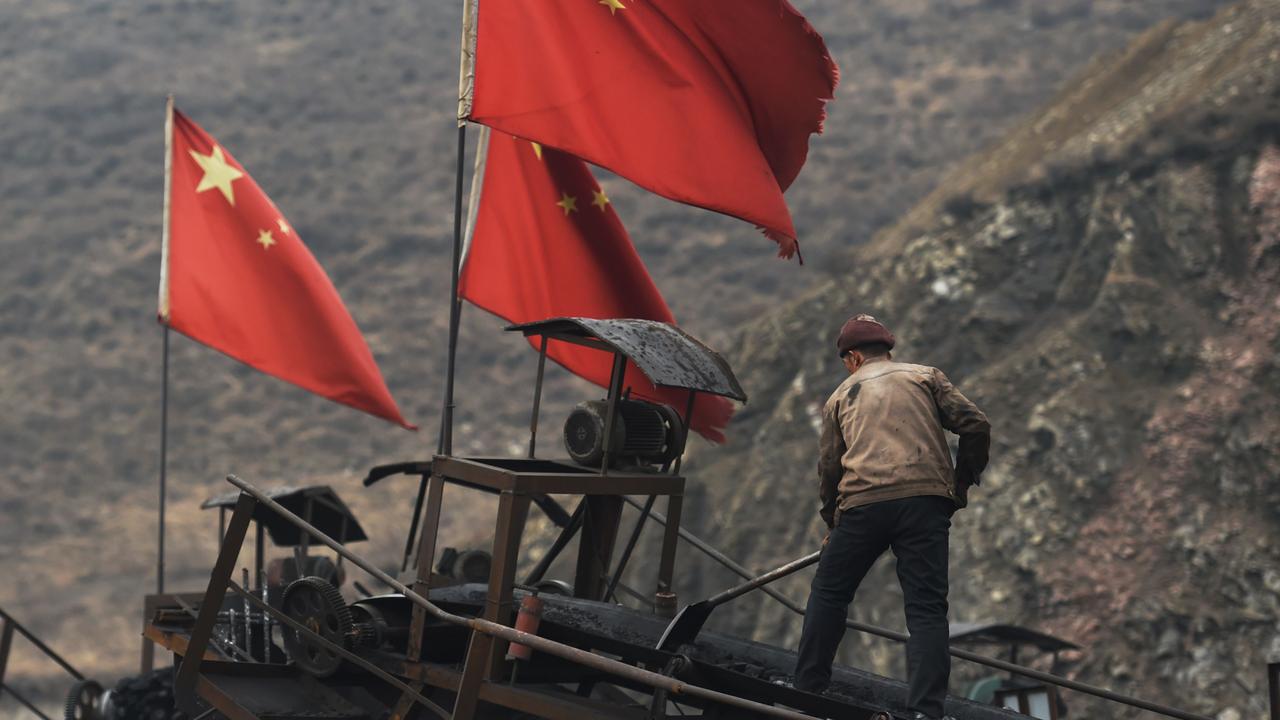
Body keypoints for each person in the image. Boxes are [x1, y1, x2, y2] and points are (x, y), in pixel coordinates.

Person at [794, 314, 991, 720]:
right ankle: (925, 711)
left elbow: (830, 469)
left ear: (851, 358)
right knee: (926, 610)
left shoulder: (841, 396)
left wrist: (834, 523)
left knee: (830, 593)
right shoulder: (925, 377)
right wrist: (962, 480)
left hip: (863, 504)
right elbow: (975, 424)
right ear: (888, 350)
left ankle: (809, 687)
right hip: (925, 503)